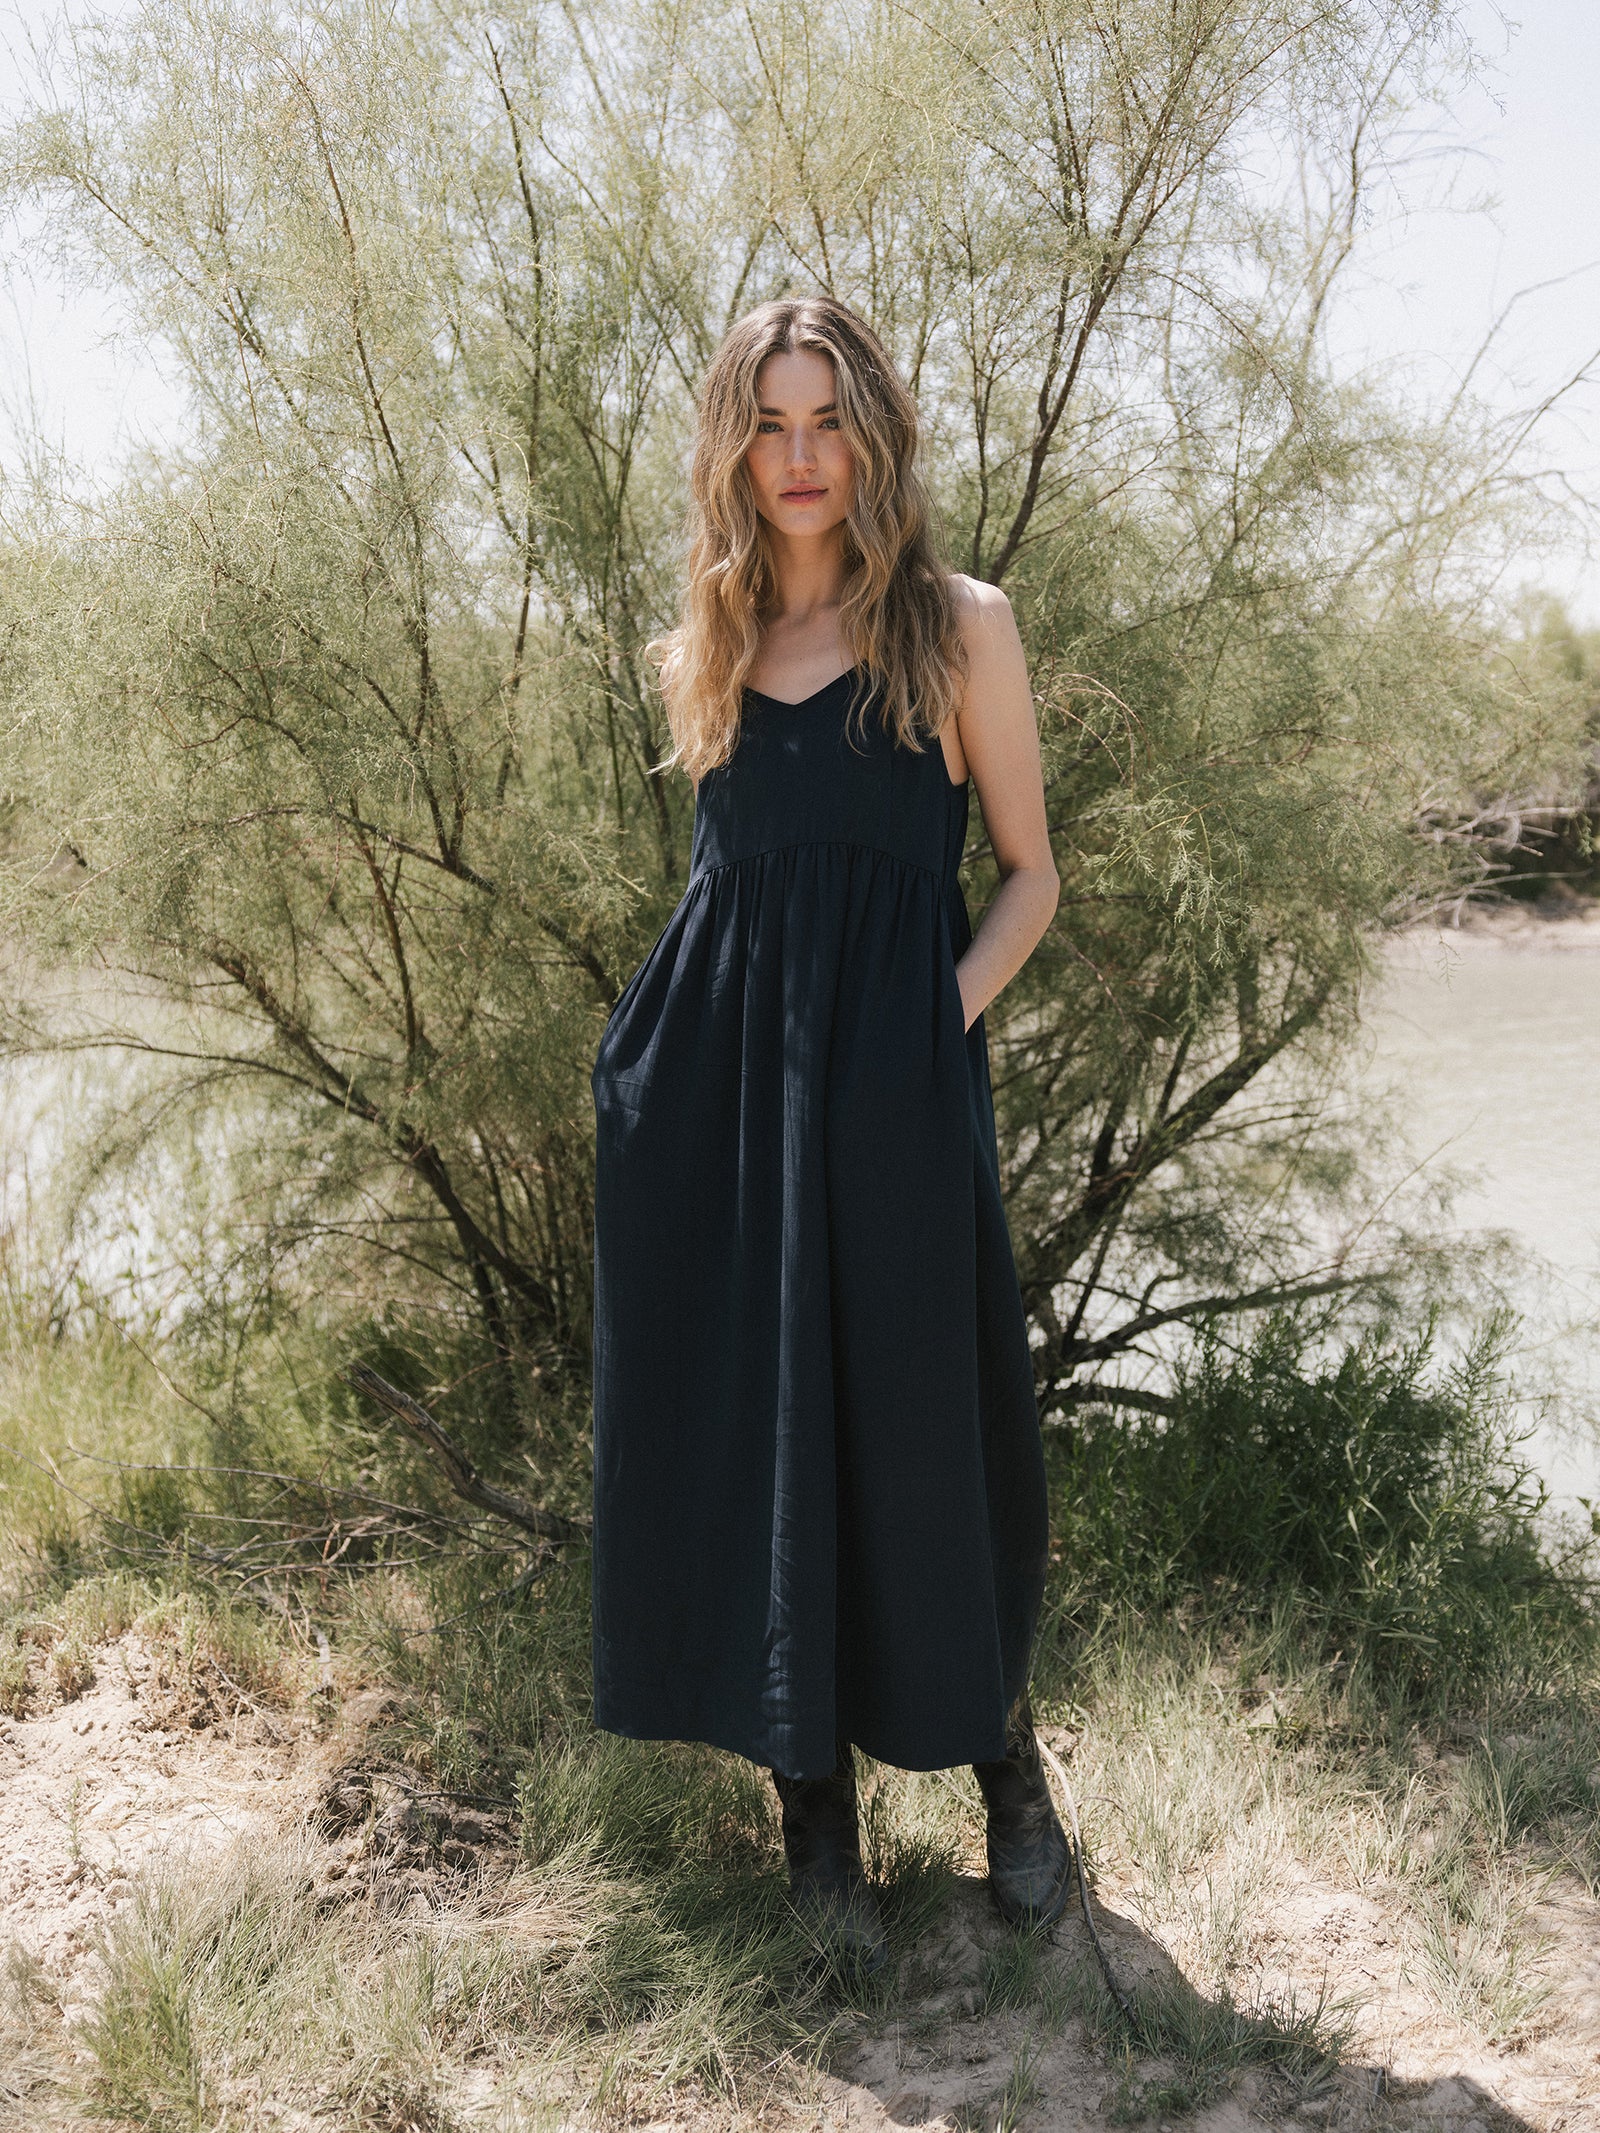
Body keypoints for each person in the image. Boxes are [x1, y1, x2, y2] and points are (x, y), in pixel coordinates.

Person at [589, 293, 1068, 1967]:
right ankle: (816, 1826)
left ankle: (1006, 1776)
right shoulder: (707, 644)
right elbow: (731, 904)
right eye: (770, 425)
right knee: (770, 1434)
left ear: (872, 430)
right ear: (738, 445)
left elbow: (1031, 876)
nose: (801, 459)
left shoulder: (959, 628)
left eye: (827, 420)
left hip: (899, 1106)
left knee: (923, 1425)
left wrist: (922, 1028)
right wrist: (652, 1068)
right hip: (732, 1111)